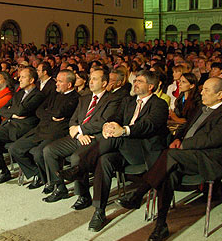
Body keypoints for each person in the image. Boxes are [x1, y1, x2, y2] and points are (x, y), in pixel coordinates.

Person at [117, 77, 222, 241]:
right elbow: (186, 127)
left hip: (208, 160)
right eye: (202, 89)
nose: (201, 93)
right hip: (184, 157)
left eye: (207, 90)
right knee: (167, 174)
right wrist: (178, 137)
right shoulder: (202, 108)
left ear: (220, 94)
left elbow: (213, 139)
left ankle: (139, 192)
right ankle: (161, 225)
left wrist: (183, 144)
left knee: (169, 155)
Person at [57, 70, 169, 232]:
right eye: (135, 80)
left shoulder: (159, 104)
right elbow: (115, 117)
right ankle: (99, 211)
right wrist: (108, 126)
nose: (135, 84)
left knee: (116, 136)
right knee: (105, 160)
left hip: (142, 151)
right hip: (120, 149)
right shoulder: (128, 101)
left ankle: (81, 167)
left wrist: (123, 130)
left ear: (151, 87)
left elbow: (148, 126)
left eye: (140, 81)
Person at [41, 68, 121, 202]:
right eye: (90, 79)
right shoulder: (84, 99)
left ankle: (83, 195)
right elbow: (73, 119)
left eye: (95, 79)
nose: (91, 82)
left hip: (95, 138)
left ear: (104, 83)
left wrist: (80, 129)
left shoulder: (112, 100)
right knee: (49, 150)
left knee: (76, 158)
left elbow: (103, 122)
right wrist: (78, 134)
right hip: (79, 136)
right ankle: (60, 188)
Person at [9, 69, 80, 190]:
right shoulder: (54, 94)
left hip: (57, 132)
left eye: (60, 81)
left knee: (38, 154)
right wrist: (51, 116)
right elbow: (39, 111)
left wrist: (50, 114)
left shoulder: (75, 98)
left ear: (69, 85)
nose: (56, 83)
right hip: (40, 129)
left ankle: (55, 184)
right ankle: (40, 175)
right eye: (57, 80)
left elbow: (59, 113)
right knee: (14, 148)